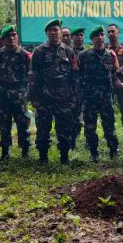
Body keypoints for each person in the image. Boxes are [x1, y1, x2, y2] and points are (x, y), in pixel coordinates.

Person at [27, 19, 78, 165]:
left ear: (60, 32)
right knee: (43, 129)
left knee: (64, 129)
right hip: (44, 97)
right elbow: (32, 75)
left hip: (64, 97)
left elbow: (74, 77)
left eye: (55, 30)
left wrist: (74, 98)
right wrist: (33, 97)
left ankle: (64, 157)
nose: (53, 33)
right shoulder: (39, 51)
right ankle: (43, 157)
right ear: (46, 33)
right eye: (50, 31)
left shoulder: (68, 51)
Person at [78, 26, 121, 162]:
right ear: (92, 39)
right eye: (97, 36)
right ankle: (94, 152)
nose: (100, 38)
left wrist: (118, 81)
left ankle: (113, 149)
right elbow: (77, 75)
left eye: (102, 35)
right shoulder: (84, 55)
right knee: (90, 126)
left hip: (106, 98)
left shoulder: (111, 55)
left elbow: (116, 72)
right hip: (89, 98)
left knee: (109, 124)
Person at [0, 25, 32, 161]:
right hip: (1, 95)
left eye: (14, 35)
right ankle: (5, 152)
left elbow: (31, 75)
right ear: (3, 39)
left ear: (17, 37)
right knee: (3, 124)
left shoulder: (24, 55)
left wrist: (29, 93)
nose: (11, 38)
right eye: (8, 36)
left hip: (19, 95)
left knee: (23, 123)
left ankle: (25, 151)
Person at [107, 23, 123, 139]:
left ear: (118, 32)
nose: (111, 34)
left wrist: (120, 71)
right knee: (107, 108)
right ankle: (110, 132)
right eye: (109, 32)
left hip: (122, 83)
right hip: (109, 83)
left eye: (113, 31)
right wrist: (114, 74)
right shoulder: (105, 49)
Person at [69, 27, 86, 148]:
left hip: (86, 89)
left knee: (89, 116)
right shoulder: (67, 52)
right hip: (72, 90)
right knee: (73, 116)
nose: (79, 37)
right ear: (72, 38)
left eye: (81, 35)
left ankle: (88, 142)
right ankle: (72, 141)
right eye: (76, 35)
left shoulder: (89, 53)